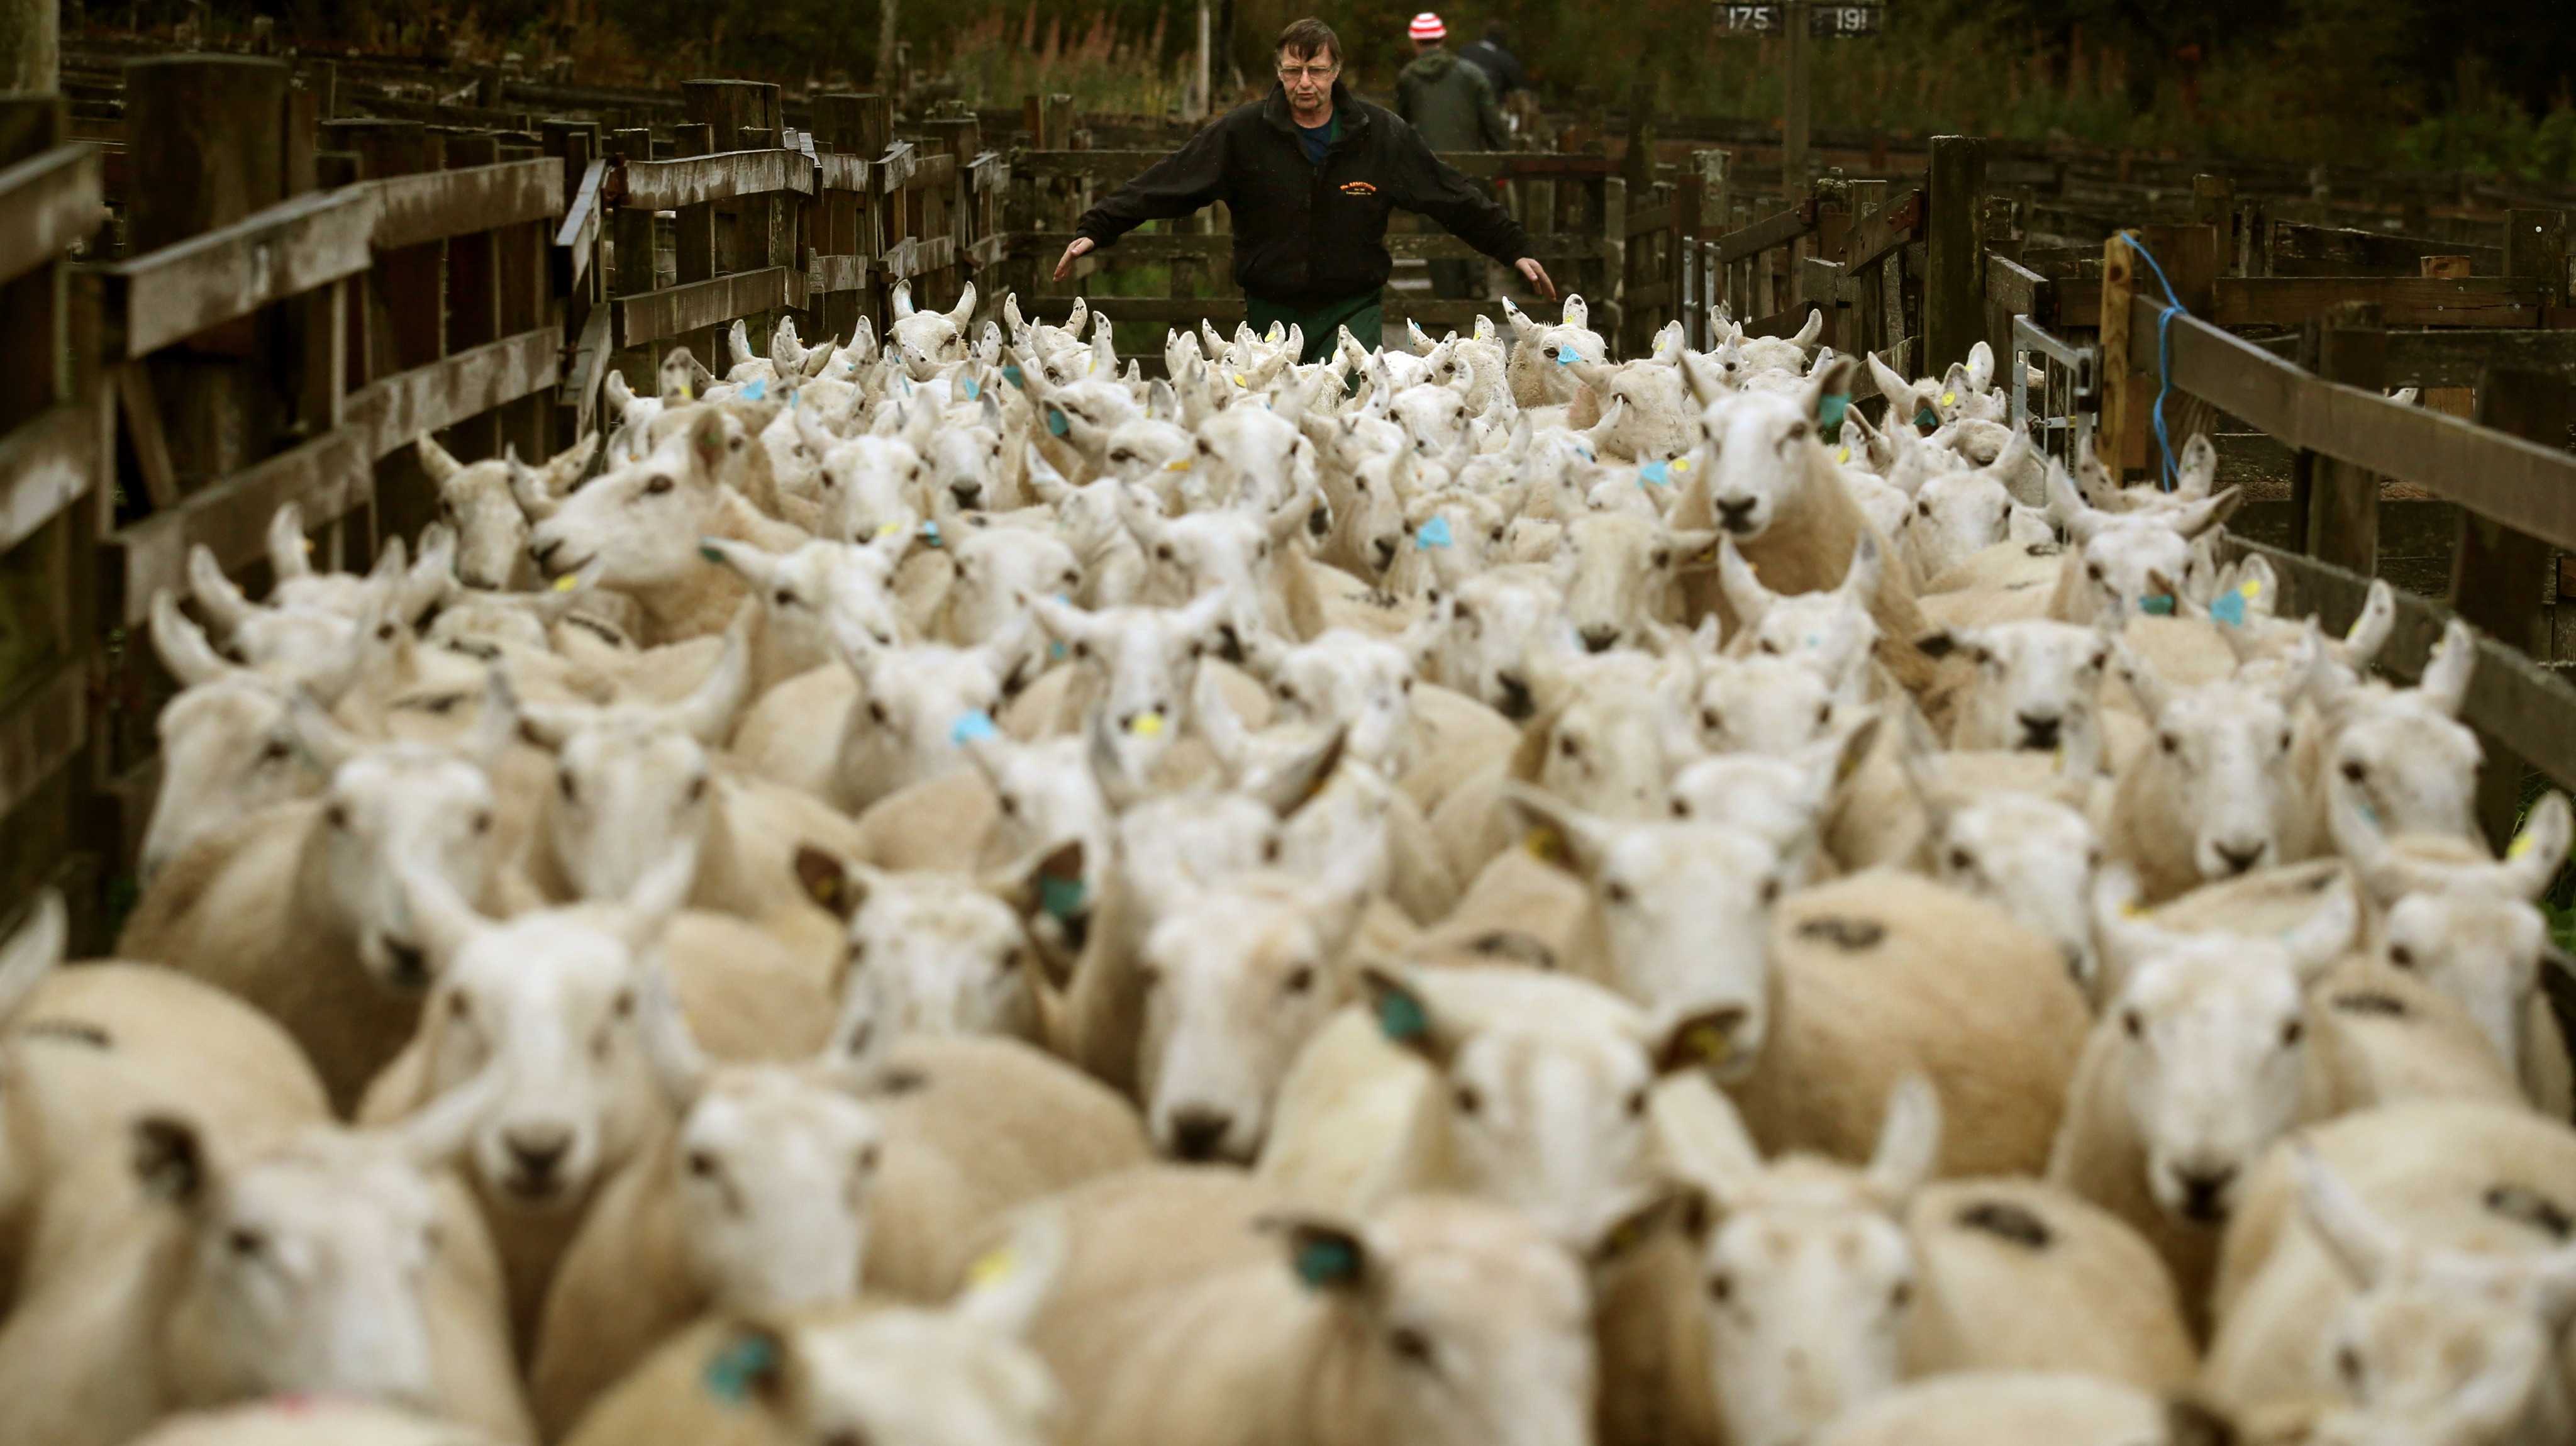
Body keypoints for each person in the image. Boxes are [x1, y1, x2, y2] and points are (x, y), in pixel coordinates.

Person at [1053, 16, 1554, 366]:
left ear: (1336, 72)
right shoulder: (1243, 133)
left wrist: (1512, 246)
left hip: (1352, 306)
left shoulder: (1380, 135)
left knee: (1352, 418)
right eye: (1293, 71)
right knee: (1277, 426)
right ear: (1279, 72)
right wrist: (1099, 226)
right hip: (1272, 305)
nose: (1305, 83)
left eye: (1316, 70)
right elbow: (1171, 181)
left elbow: (1452, 195)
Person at [1395, 11, 1510, 300]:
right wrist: (1501, 161)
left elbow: (1402, 125)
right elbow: (1494, 124)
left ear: (1414, 41)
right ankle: (1476, 288)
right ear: (1443, 38)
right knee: (1473, 226)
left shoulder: (1408, 77)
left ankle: (1446, 303)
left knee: (1436, 238)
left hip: (1428, 172)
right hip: (1469, 171)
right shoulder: (1471, 74)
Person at [1455, 19, 1528, 103]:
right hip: (1490, 107)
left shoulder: (1466, 51)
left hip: (1461, 103)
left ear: (1484, 33)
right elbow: (1522, 88)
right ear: (1505, 37)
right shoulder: (1507, 60)